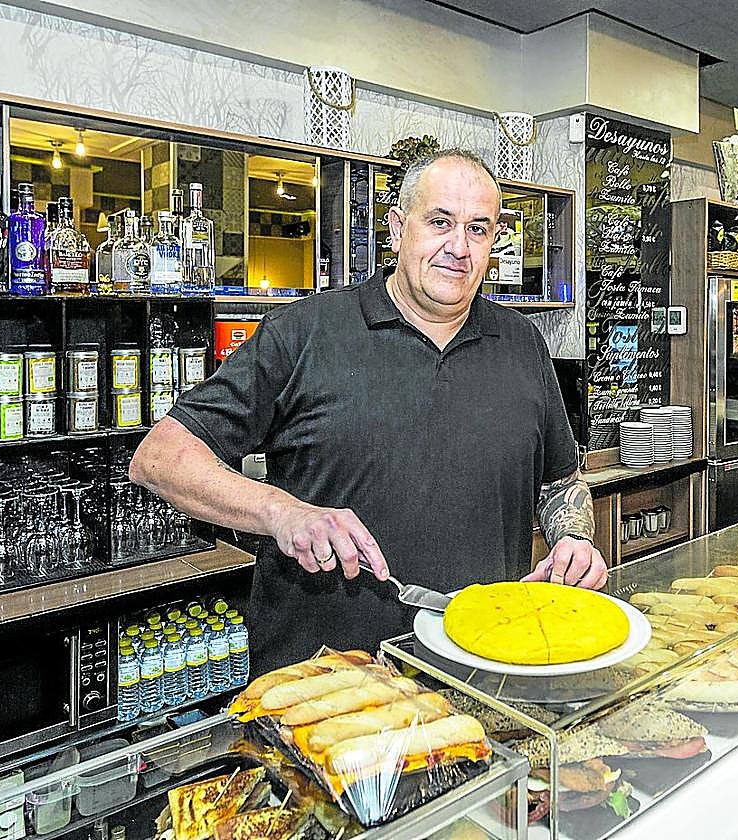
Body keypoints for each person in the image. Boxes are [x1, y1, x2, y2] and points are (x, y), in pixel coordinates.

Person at [130, 149, 606, 672]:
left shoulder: (522, 343)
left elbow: (561, 482)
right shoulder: (305, 333)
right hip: (325, 681)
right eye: (440, 222)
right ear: (397, 228)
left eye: (478, 229)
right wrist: (281, 512)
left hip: (480, 673)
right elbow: (159, 458)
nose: (458, 248)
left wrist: (574, 540)